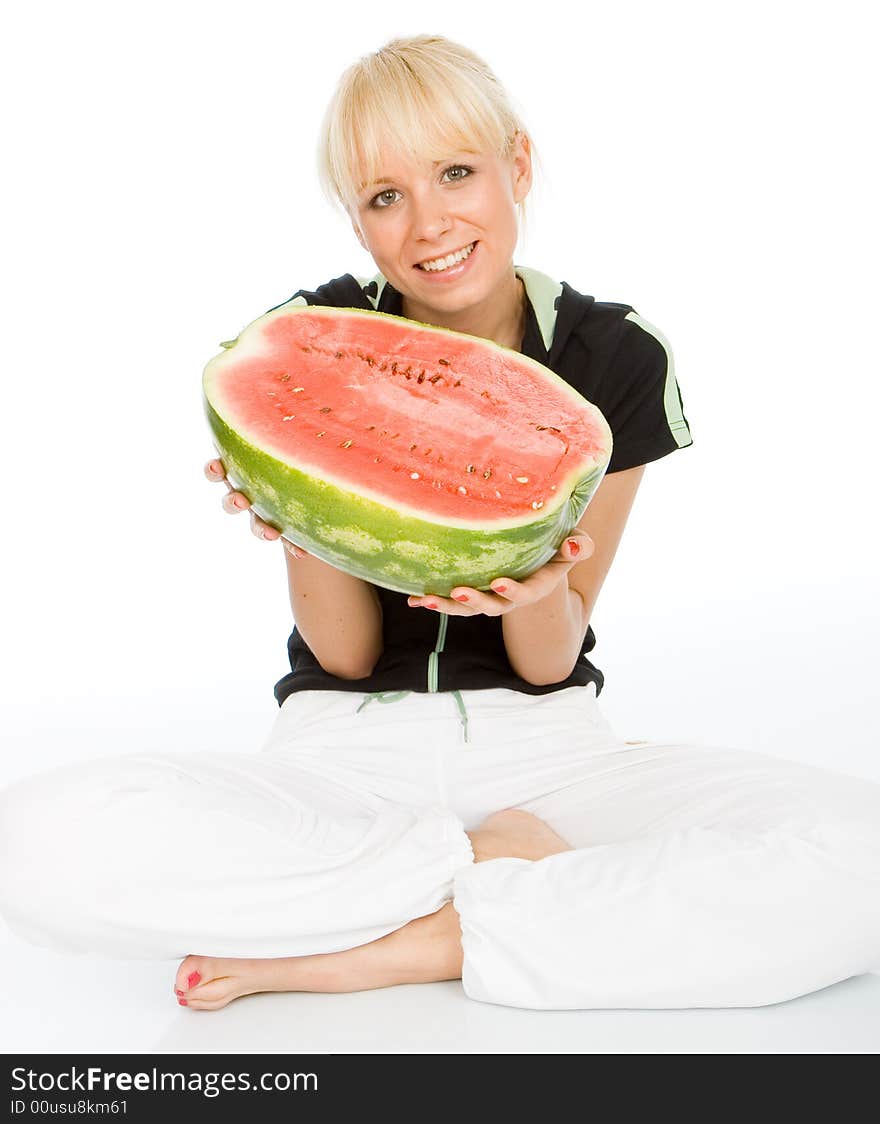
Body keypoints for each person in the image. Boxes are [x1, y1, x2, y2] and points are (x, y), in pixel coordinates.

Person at [2, 35, 879, 1014]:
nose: (428, 223)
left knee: (862, 858)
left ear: (518, 165)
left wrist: (543, 586)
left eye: (456, 172)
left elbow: (548, 661)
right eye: (384, 196)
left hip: (550, 754)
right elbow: (341, 656)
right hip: (342, 754)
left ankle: (386, 940)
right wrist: (299, 512)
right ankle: (496, 883)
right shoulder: (310, 338)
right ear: (356, 218)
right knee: (29, 844)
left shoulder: (612, 357)